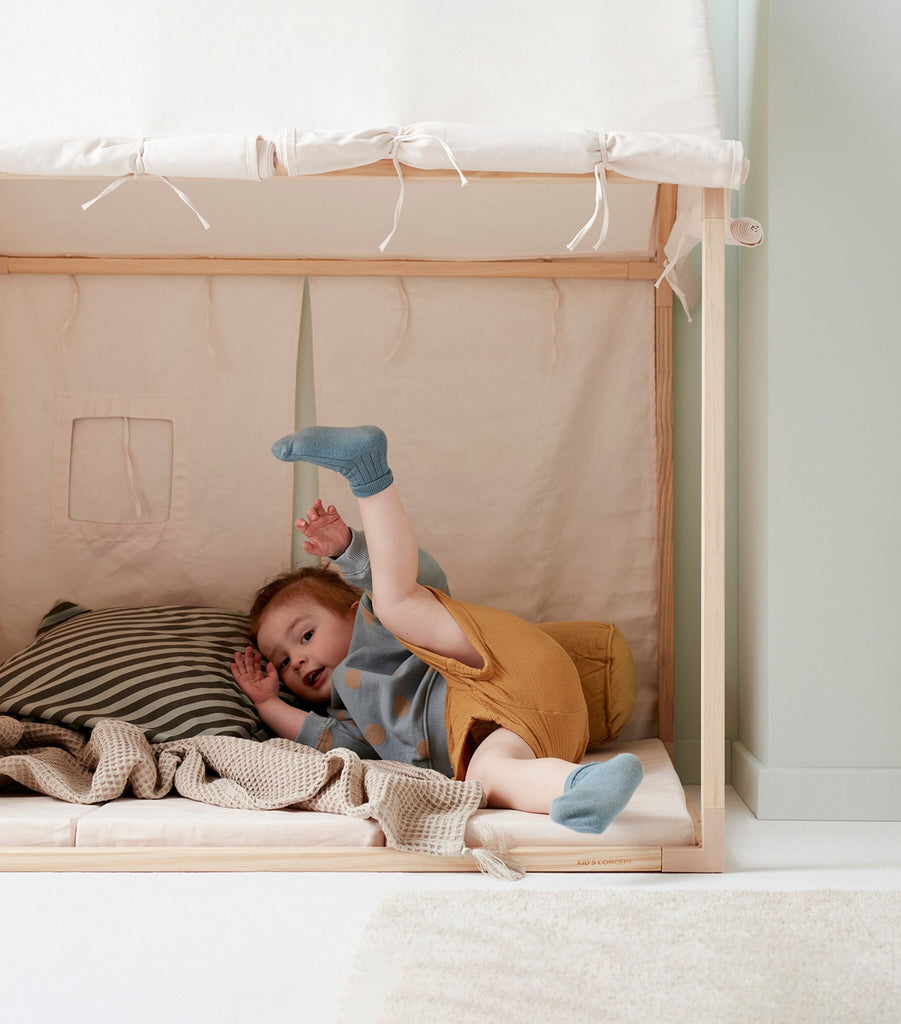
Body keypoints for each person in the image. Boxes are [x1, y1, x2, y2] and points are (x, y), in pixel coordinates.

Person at [231, 425, 643, 834]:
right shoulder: (349, 714)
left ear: (352, 609)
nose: (297, 660)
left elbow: (420, 575)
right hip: (530, 729)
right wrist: (268, 704)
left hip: (491, 662)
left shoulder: (376, 622)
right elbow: (330, 746)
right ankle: (583, 786)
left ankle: (367, 474)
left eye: (305, 636)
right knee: (487, 776)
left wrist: (348, 549)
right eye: (282, 662)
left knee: (398, 603)